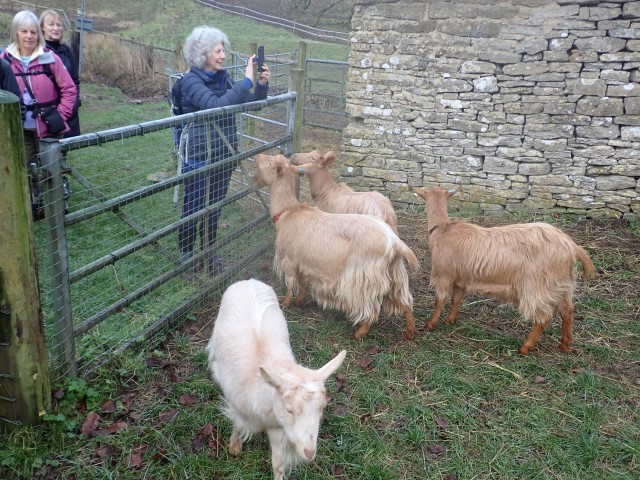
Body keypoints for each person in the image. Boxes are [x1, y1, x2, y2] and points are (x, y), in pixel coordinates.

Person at [177, 25, 270, 277]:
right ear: (202, 53)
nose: (222, 55)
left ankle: (209, 253)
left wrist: (260, 85)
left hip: (224, 153)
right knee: (194, 207)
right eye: (218, 51)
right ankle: (186, 255)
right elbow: (215, 106)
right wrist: (246, 81)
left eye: (223, 50)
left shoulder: (224, 78)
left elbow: (251, 104)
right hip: (198, 154)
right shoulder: (190, 81)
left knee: (214, 207)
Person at [2, 10, 77, 219]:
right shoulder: (4, 60)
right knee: (25, 170)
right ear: (15, 32)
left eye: (33, 32)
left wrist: (60, 115)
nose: (29, 36)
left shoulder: (49, 58)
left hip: (48, 127)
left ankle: (58, 210)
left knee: (52, 170)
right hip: (19, 129)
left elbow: (69, 89)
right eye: (23, 31)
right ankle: (34, 208)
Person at [40, 9, 81, 137]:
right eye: (51, 24)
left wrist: (73, 105)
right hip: (48, 112)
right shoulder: (39, 52)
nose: (56, 28)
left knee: (66, 150)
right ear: (42, 27)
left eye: (58, 24)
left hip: (69, 110)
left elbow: (75, 80)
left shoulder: (66, 51)